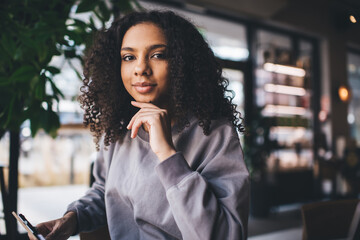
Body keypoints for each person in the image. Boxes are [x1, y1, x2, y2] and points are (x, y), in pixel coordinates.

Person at [30, 10, 250, 240]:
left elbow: (226, 235)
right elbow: (105, 192)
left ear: (183, 63)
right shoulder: (119, 129)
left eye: (157, 55)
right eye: (129, 57)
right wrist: (72, 219)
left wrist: (167, 154)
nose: (140, 68)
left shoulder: (216, 135)